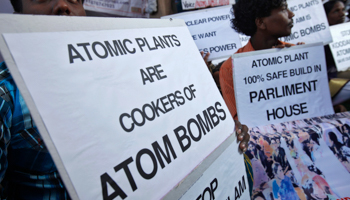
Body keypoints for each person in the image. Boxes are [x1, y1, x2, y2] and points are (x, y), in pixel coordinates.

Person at [0, 0, 251, 199]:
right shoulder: (6, 93)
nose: (63, 6)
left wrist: (222, 138)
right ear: (17, 10)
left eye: (74, 0)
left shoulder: (125, 69)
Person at [219, 0, 302, 120]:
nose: (291, 14)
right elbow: (240, 121)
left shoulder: (295, 54)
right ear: (261, 22)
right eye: (284, 9)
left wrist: (303, 63)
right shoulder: (230, 69)